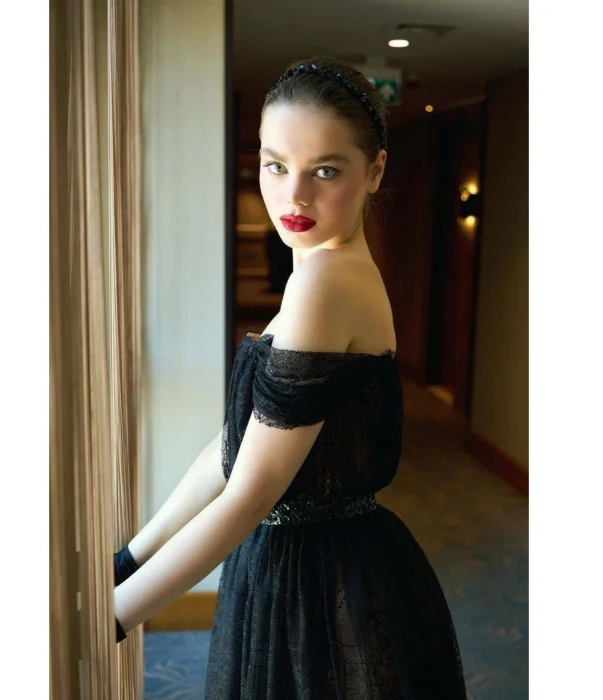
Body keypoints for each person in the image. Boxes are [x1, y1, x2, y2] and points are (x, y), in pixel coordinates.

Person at [112, 56, 467, 699]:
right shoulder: (321, 268)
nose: (293, 197)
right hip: (326, 562)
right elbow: (234, 445)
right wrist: (131, 557)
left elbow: (250, 493)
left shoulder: (326, 282)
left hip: (317, 584)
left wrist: (113, 617)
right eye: (276, 166)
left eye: (325, 171)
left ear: (375, 171)